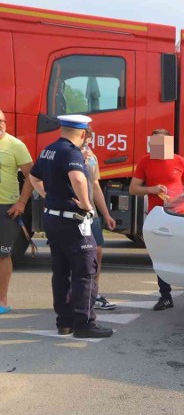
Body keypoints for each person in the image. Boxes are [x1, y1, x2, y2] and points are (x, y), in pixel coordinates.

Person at [28, 114, 113, 338]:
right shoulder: (71, 152)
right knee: (85, 272)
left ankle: (64, 322)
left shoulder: (49, 149)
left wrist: (47, 195)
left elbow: (33, 177)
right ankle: (84, 324)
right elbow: (78, 178)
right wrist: (86, 205)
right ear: (83, 133)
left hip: (53, 218)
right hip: (73, 221)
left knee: (61, 271)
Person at [129, 128, 184, 312]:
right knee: (160, 256)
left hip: (180, 215)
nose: (155, 148)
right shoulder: (145, 162)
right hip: (158, 216)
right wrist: (152, 190)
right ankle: (165, 296)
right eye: (153, 144)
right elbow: (133, 189)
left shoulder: (180, 161)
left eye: (160, 145)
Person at [0, 108, 35, 315]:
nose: (0, 125)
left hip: (6, 208)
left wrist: (22, 203)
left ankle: (2, 300)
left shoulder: (15, 145)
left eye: (2, 121)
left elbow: (31, 175)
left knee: (3, 255)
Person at [81, 133, 117, 310]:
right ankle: (76, 295)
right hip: (72, 214)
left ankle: (93, 293)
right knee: (76, 255)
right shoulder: (64, 155)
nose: (87, 143)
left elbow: (95, 186)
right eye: (85, 139)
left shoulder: (91, 157)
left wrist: (106, 214)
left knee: (97, 252)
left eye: (89, 139)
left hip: (91, 213)